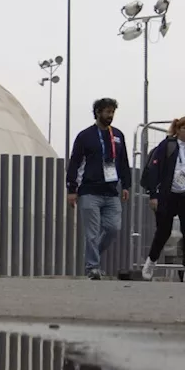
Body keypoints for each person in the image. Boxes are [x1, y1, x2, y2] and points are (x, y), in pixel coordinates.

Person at [66, 98, 131, 280]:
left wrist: (126, 185)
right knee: (92, 232)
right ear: (97, 112)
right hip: (89, 191)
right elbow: (75, 163)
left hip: (111, 191)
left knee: (112, 228)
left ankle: (91, 256)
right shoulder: (84, 136)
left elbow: (123, 161)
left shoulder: (118, 135)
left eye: (112, 112)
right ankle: (92, 267)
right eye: (107, 112)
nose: (110, 116)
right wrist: (72, 189)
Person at [140, 117, 185, 282]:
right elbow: (155, 169)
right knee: (164, 231)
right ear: (177, 129)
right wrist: (153, 195)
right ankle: (151, 261)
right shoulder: (167, 146)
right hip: (168, 195)